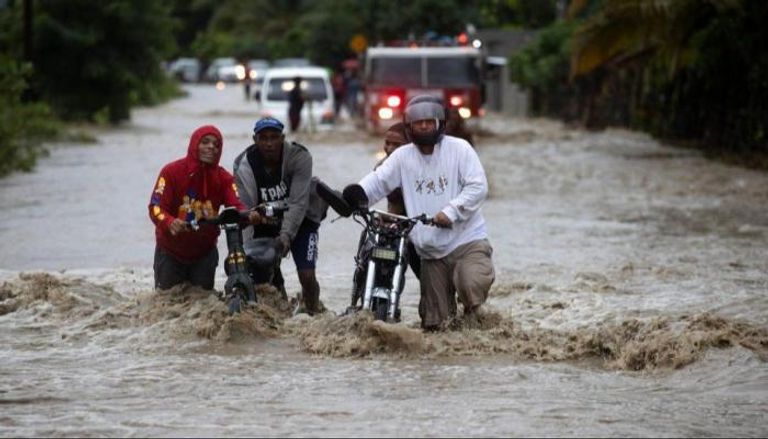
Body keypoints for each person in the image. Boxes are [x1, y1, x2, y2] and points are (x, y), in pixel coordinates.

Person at [348, 95, 495, 330]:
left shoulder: (460, 149)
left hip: (466, 241)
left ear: (440, 124)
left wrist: (451, 212)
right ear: (409, 126)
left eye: (429, 121)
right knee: (436, 326)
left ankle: (479, 327)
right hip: (430, 252)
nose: (424, 125)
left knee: (470, 286)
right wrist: (353, 196)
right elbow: (378, 181)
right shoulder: (402, 156)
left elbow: (478, 187)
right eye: (418, 122)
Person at [233, 117, 328, 315]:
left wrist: (286, 236)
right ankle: (280, 318)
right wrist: (245, 253)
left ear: (283, 138)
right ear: (254, 139)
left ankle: (314, 313)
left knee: (307, 275)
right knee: (264, 278)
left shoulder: (299, 157)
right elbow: (245, 210)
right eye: (263, 138)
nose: (269, 144)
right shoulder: (243, 165)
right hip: (264, 222)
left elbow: (298, 202)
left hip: (302, 220)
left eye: (274, 138)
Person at [148, 125, 260, 291]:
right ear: (194, 145)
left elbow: (236, 203)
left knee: (203, 306)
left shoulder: (224, 178)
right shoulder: (170, 172)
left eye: (216, 145)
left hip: (204, 254)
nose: (211, 147)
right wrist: (169, 222)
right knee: (167, 306)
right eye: (205, 142)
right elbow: (155, 207)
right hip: (170, 253)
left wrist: (249, 215)